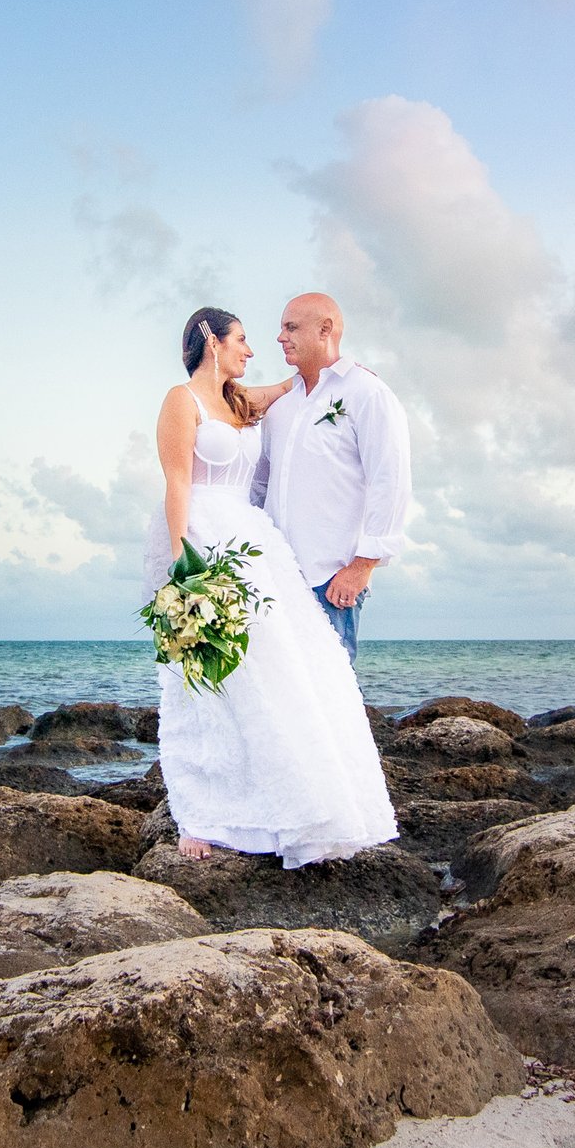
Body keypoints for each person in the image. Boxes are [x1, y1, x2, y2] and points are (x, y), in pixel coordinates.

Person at [149, 305, 398, 867]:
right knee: (206, 676)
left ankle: (289, 800)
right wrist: (180, 562)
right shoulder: (179, 401)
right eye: (242, 339)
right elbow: (177, 481)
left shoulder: (240, 402)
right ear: (212, 340)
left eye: (275, 333)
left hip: (256, 546)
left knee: (278, 673)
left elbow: (293, 386)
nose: (254, 347)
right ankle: (201, 812)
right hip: (202, 540)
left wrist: (355, 377)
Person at [251, 292, 413, 664]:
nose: (279, 337)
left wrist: (362, 566)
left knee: (330, 699)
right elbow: (261, 484)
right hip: (275, 579)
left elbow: (390, 480)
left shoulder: (367, 393)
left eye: (290, 327)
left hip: (332, 581)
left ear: (326, 329)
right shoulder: (281, 406)